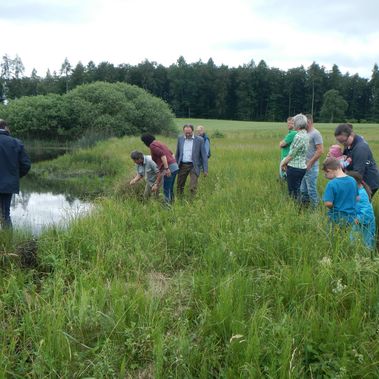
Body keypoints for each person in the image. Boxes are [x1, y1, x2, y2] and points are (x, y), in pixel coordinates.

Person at [0, 119, 31, 228]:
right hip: (8, 184)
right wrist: (15, 176)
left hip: (8, 183)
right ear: (5, 127)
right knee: (5, 215)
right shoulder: (15, 142)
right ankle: (7, 244)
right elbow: (26, 165)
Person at [334, 123, 379, 198]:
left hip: (368, 182)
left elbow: (358, 173)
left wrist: (346, 185)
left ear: (351, 135)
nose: (342, 144)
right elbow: (345, 160)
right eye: (340, 141)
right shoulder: (349, 144)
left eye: (343, 141)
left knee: (361, 205)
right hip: (359, 179)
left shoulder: (360, 148)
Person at [140, 134, 179, 204]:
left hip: (168, 168)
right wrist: (173, 164)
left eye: (143, 142)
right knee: (170, 188)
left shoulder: (152, 145)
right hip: (175, 167)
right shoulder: (160, 143)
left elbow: (163, 155)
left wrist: (167, 168)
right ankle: (172, 204)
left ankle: (167, 208)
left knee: (166, 189)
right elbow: (172, 154)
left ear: (146, 141)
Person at [322, 157, 358, 226]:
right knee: (347, 236)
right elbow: (357, 198)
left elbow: (328, 203)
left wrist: (335, 206)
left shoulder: (332, 183)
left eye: (326, 173)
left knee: (334, 236)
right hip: (351, 218)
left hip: (336, 218)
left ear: (329, 170)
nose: (325, 176)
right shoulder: (352, 180)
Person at [280, 114, 309, 200]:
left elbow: (291, 154)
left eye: (294, 122)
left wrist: (283, 163)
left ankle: (297, 210)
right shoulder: (306, 135)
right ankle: (301, 207)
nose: (293, 124)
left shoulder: (298, 136)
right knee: (297, 190)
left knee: (293, 192)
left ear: (297, 124)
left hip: (294, 168)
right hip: (302, 167)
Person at [175, 124, 208, 197]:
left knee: (193, 187)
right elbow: (177, 153)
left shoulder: (199, 140)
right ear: (183, 131)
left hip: (194, 166)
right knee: (180, 185)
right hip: (182, 165)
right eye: (186, 132)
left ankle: (192, 202)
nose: (187, 134)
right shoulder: (180, 138)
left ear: (193, 131)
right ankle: (180, 200)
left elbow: (204, 156)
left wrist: (205, 169)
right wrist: (175, 165)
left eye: (189, 132)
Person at [347, 171, 376, 249]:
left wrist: (357, 219)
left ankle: (368, 258)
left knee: (366, 243)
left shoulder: (362, 194)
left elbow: (367, 211)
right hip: (359, 223)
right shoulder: (357, 192)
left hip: (365, 224)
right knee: (355, 241)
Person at [300, 114, 323, 207]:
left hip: (312, 168)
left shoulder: (316, 133)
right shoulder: (304, 133)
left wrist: (310, 163)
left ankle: (315, 210)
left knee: (311, 190)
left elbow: (320, 151)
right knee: (303, 190)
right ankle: (305, 207)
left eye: (303, 123)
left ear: (308, 122)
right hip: (303, 166)